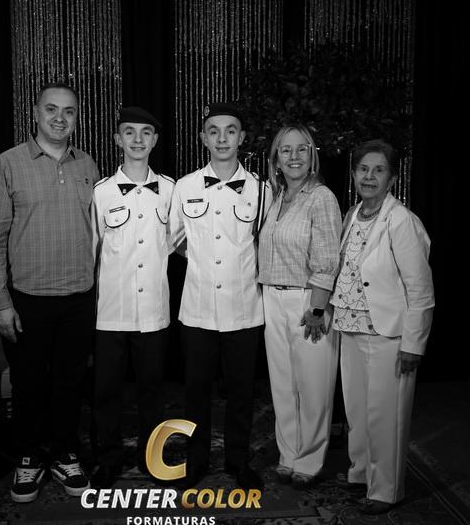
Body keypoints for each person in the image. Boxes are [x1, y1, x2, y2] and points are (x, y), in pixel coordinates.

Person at [0, 83, 100, 502]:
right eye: (51, 109)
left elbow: (98, 233)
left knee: (70, 383)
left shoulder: (88, 164)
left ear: (77, 117)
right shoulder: (8, 164)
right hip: (27, 299)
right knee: (28, 385)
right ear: (35, 113)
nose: (59, 118)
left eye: (68, 111)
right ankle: (28, 457)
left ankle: (65, 454)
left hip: (79, 298)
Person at [330, 139, 434, 514]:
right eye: (363, 169)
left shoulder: (402, 221)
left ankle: (386, 489)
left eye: (379, 170)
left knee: (385, 417)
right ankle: (361, 474)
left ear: (392, 178)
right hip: (350, 327)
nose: (369, 176)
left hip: (388, 334)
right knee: (358, 413)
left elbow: (420, 290)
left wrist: (413, 344)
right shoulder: (351, 215)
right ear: (354, 174)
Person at [168, 102, 264, 490]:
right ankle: (197, 461)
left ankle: (238, 461)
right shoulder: (185, 186)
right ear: (203, 138)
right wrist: (202, 259)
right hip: (197, 309)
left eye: (230, 130)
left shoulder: (262, 189)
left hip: (244, 309)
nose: (222, 138)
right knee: (196, 392)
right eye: (214, 131)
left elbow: (265, 241)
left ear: (242, 138)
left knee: (242, 392)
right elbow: (173, 239)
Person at [90, 106, 174, 488]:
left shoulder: (171, 191)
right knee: (106, 391)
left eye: (145, 133)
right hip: (111, 311)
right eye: (129, 132)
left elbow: (181, 242)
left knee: (152, 391)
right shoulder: (101, 192)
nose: (137, 140)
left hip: (154, 310)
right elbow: (92, 251)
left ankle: (151, 457)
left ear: (155, 140)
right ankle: (107, 460)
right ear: (117, 139)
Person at [257, 125, 342, 489]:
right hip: (271, 299)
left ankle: (309, 458)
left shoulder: (321, 198)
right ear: (276, 159)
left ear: (312, 156)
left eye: (301, 149)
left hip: (308, 301)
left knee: (313, 386)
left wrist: (318, 308)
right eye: (285, 150)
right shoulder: (276, 198)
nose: (294, 157)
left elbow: (328, 258)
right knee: (282, 384)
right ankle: (288, 453)